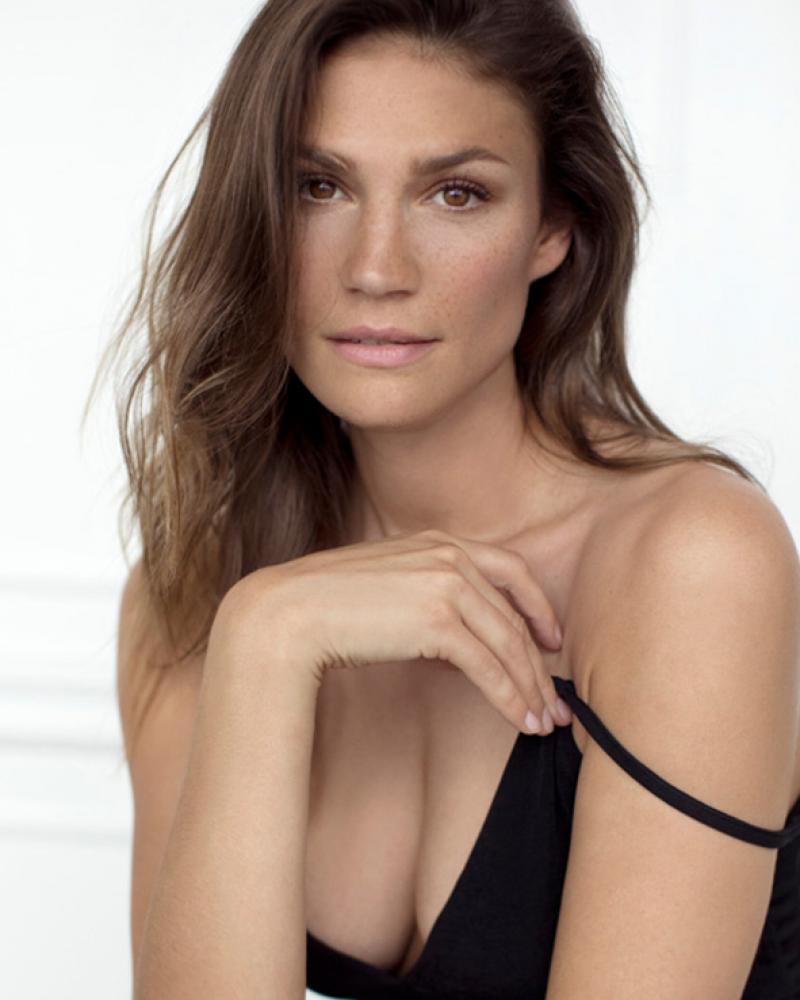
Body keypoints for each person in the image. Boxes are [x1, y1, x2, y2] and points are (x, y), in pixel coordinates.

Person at [89, 0, 800, 996]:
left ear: (554, 226)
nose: (376, 268)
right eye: (319, 186)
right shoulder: (198, 595)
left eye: (456, 194)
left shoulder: (692, 560)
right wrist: (267, 638)